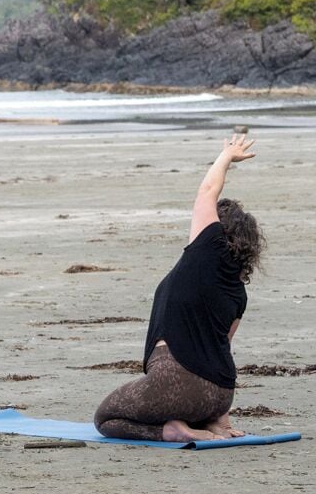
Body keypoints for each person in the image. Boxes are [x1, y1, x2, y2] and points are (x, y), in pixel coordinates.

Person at [94, 133, 263, 442]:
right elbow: (221, 347)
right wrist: (220, 417)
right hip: (220, 395)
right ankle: (210, 424)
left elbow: (207, 191)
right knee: (191, 390)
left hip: (176, 385)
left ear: (216, 229)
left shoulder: (206, 248)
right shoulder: (238, 292)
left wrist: (226, 156)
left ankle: (170, 431)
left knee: (105, 418)